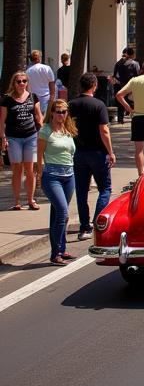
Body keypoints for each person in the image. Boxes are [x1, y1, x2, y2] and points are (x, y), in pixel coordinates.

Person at [68, 72, 115, 239]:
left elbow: (67, 128)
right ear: (94, 85)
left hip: (78, 152)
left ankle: (84, 227)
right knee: (105, 188)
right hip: (97, 152)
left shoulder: (71, 104)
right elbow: (104, 130)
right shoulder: (98, 105)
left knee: (81, 191)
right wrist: (110, 151)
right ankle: (97, 222)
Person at [36, 100, 77, 266]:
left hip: (69, 175)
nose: (62, 115)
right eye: (59, 111)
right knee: (63, 213)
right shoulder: (45, 131)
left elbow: (71, 154)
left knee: (58, 215)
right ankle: (55, 254)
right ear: (52, 113)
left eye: (65, 111)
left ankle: (61, 249)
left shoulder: (68, 130)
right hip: (51, 175)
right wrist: (40, 175)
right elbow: (39, 156)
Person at [1, 71, 44, 210]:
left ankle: (31, 200)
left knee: (30, 169)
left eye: (24, 81)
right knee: (17, 169)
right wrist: (3, 138)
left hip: (31, 136)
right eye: (18, 81)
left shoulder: (33, 97)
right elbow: (2, 122)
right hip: (13, 138)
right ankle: (17, 201)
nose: (21, 84)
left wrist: (42, 134)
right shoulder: (7, 99)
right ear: (14, 83)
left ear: (27, 83)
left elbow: (39, 117)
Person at [111, 47, 140, 124]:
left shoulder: (118, 63)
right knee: (133, 101)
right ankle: (133, 115)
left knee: (120, 102)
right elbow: (137, 75)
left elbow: (115, 75)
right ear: (132, 54)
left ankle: (120, 119)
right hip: (131, 85)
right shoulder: (135, 64)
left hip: (120, 85)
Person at [26, 49, 56, 115]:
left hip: (33, 98)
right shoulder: (47, 68)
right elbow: (52, 84)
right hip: (46, 98)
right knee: (45, 120)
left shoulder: (27, 71)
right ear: (39, 58)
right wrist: (52, 98)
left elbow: (27, 87)